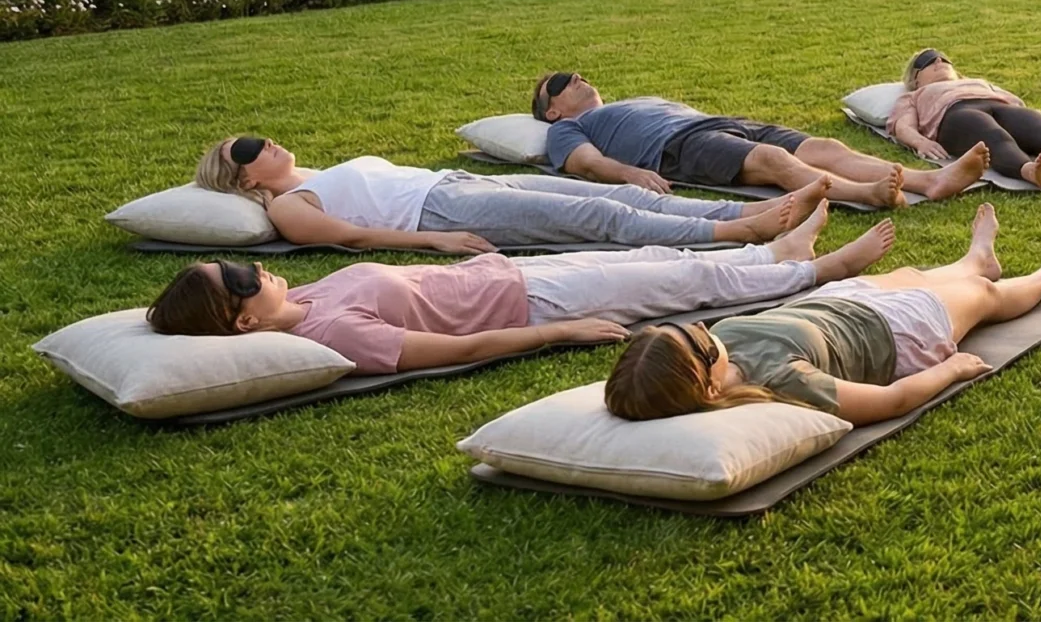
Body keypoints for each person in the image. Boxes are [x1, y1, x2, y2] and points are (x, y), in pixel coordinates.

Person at [142, 202, 897, 375]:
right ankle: (815, 270)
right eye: (244, 277)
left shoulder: (304, 296)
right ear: (242, 324)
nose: (258, 269)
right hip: (533, 305)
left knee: (659, 253)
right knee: (682, 280)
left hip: (512, 272)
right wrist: (554, 334)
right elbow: (452, 348)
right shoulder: (328, 337)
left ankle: (776, 251)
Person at [602, 204, 1041, 426]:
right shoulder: (777, 381)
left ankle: (975, 257)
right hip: (895, 333)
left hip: (840, 305)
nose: (698, 329)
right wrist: (950, 369)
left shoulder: (718, 350)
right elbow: (889, 400)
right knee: (982, 296)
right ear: (709, 387)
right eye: (697, 342)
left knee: (916, 273)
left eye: (679, 329)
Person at [194, 135, 826, 252]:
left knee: (624, 198)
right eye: (248, 150)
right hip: (439, 210)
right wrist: (433, 240)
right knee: (594, 212)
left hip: (458, 184)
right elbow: (355, 236)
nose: (265, 144)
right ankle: (732, 232)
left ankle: (743, 211)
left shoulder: (312, 177)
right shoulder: (284, 206)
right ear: (245, 180)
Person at [533, 72, 987, 209]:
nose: (576, 77)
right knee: (770, 159)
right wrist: (631, 173)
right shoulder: (567, 128)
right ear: (552, 109)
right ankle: (864, 193)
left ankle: (929, 182)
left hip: (719, 122)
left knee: (825, 147)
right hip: (677, 149)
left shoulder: (628, 99)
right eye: (561, 81)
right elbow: (585, 163)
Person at [888, 49, 1041, 188]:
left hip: (1000, 106)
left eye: (943, 58)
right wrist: (921, 142)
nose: (939, 61)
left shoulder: (982, 83)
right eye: (928, 61)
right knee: (995, 138)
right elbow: (902, 126)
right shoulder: (915, 95)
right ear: (915, 78)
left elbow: (1027, 112)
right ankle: (1030, 172)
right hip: (955, 114)